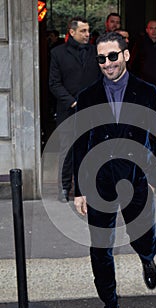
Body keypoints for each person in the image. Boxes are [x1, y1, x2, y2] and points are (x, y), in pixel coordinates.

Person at [73, 32, 156, 308]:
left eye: (112, 56)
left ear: (126, 56)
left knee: (142, 235)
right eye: (101, 58)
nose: (107, 63)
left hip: (136, 175)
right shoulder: (88, 96)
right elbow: (79, 143)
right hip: (99, 180)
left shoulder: (147, 91)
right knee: (100, 247)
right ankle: (110, 306)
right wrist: (78, 189)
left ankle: (147, 258)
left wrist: (152, 178)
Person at [49, 16, 101, 202]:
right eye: (83, 31)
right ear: (72, 32)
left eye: (88, 30)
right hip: (68, 111)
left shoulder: (95, 52)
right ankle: (64, 188)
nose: (88, 34)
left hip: (93, 110)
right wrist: (73, 102)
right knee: (68, 151)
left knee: (93, 149)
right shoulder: (58, 53)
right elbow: (54, 84)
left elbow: (103, 79)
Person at [129, 20, 156, 121]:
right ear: (147, 30)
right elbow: (132, 64)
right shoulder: (140, 44)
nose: (154, 31)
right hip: (143, 83)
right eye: (151, 28)